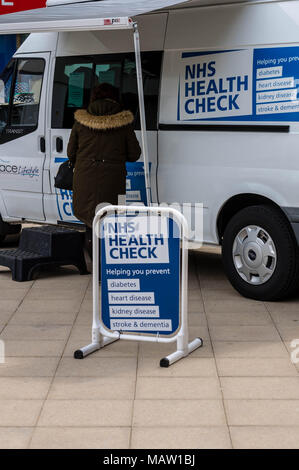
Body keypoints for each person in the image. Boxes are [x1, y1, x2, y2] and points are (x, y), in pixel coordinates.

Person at [67, 83, 141, 258]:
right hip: (114, 179)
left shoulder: (80, 121)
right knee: (111, 217)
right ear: (116, 98)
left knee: (89, 217)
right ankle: (109, 259)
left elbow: (71, 153)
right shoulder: (124, 123)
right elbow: (134, 154)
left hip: (84, 178)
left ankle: (93, 257)